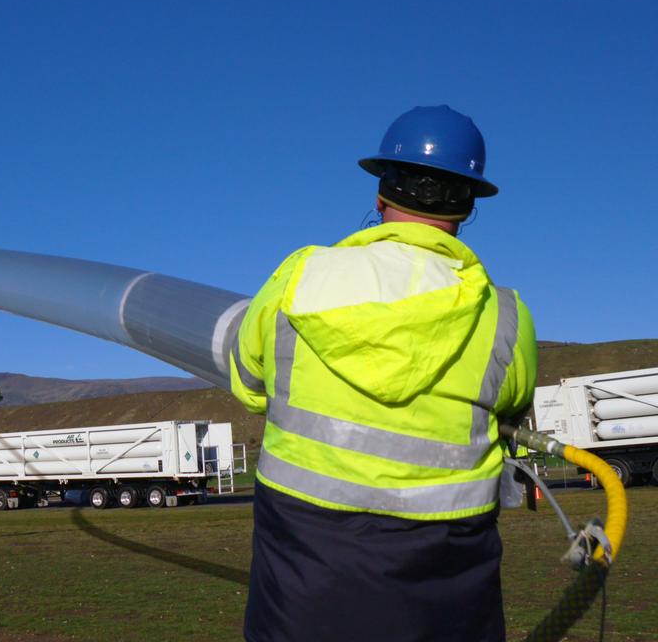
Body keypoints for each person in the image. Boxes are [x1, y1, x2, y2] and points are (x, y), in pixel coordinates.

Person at [229, 105, 536, 642]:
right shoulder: (505, 315)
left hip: (302, 595)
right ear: (466, 206)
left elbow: (249, 384)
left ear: (380, 194)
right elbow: (512, 405)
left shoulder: (300, 275)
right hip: (447, 601)